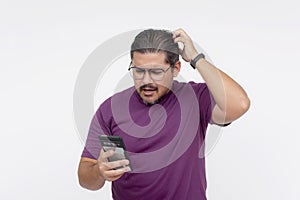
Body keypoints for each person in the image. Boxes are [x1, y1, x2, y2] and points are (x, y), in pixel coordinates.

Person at [77, 28, 250, 200]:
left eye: (156, 72)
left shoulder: (195, 98)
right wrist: (99, 172)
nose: (146, 81)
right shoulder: (111, 109)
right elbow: (85, 178)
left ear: (175, 69)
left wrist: (196, 58)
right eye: (139, 71)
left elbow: (240, 104)